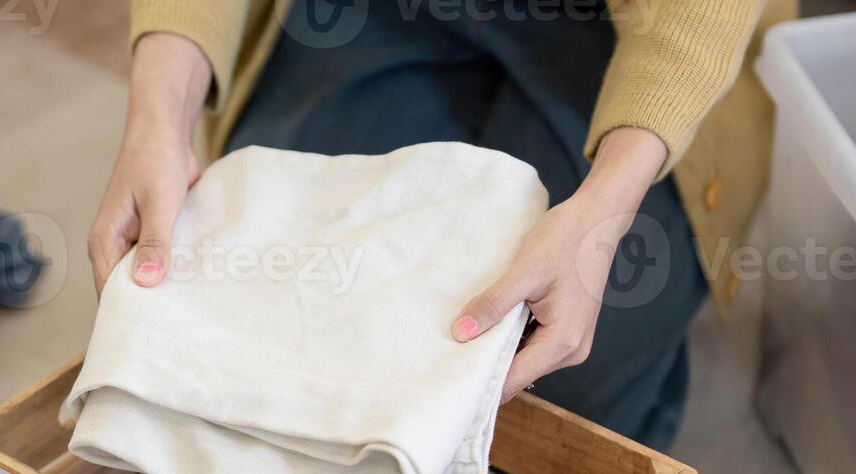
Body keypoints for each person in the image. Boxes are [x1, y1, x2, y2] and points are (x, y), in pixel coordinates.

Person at [87, 0, 793, 450]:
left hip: (630, 26)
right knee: (264, 288)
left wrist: (606, 206)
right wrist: (158, 117)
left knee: (535, 397)